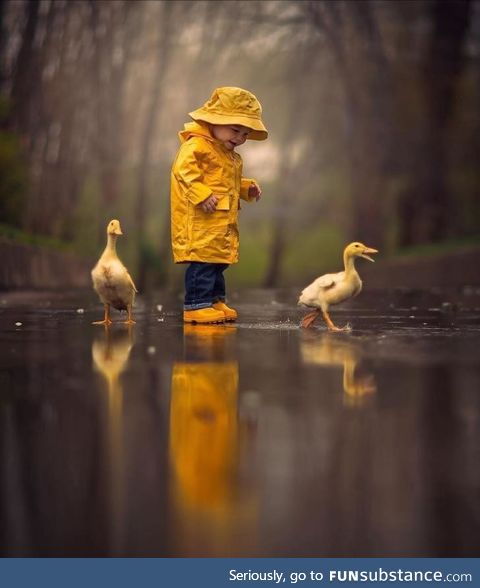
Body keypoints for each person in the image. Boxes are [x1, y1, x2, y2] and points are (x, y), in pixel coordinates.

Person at [170, 86, 268, 324]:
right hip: (201, 220)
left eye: (245, 134)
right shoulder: (197, 146)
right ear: (213, 121)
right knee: (202, 262)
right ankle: (196, 305)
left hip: (220, 221)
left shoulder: (229, 154)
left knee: (217, 264)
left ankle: (215, 301)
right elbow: (183, 171)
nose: (239, 138)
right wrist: (201, 193)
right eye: (235, 130)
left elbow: (225, 182)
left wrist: (245, 188)